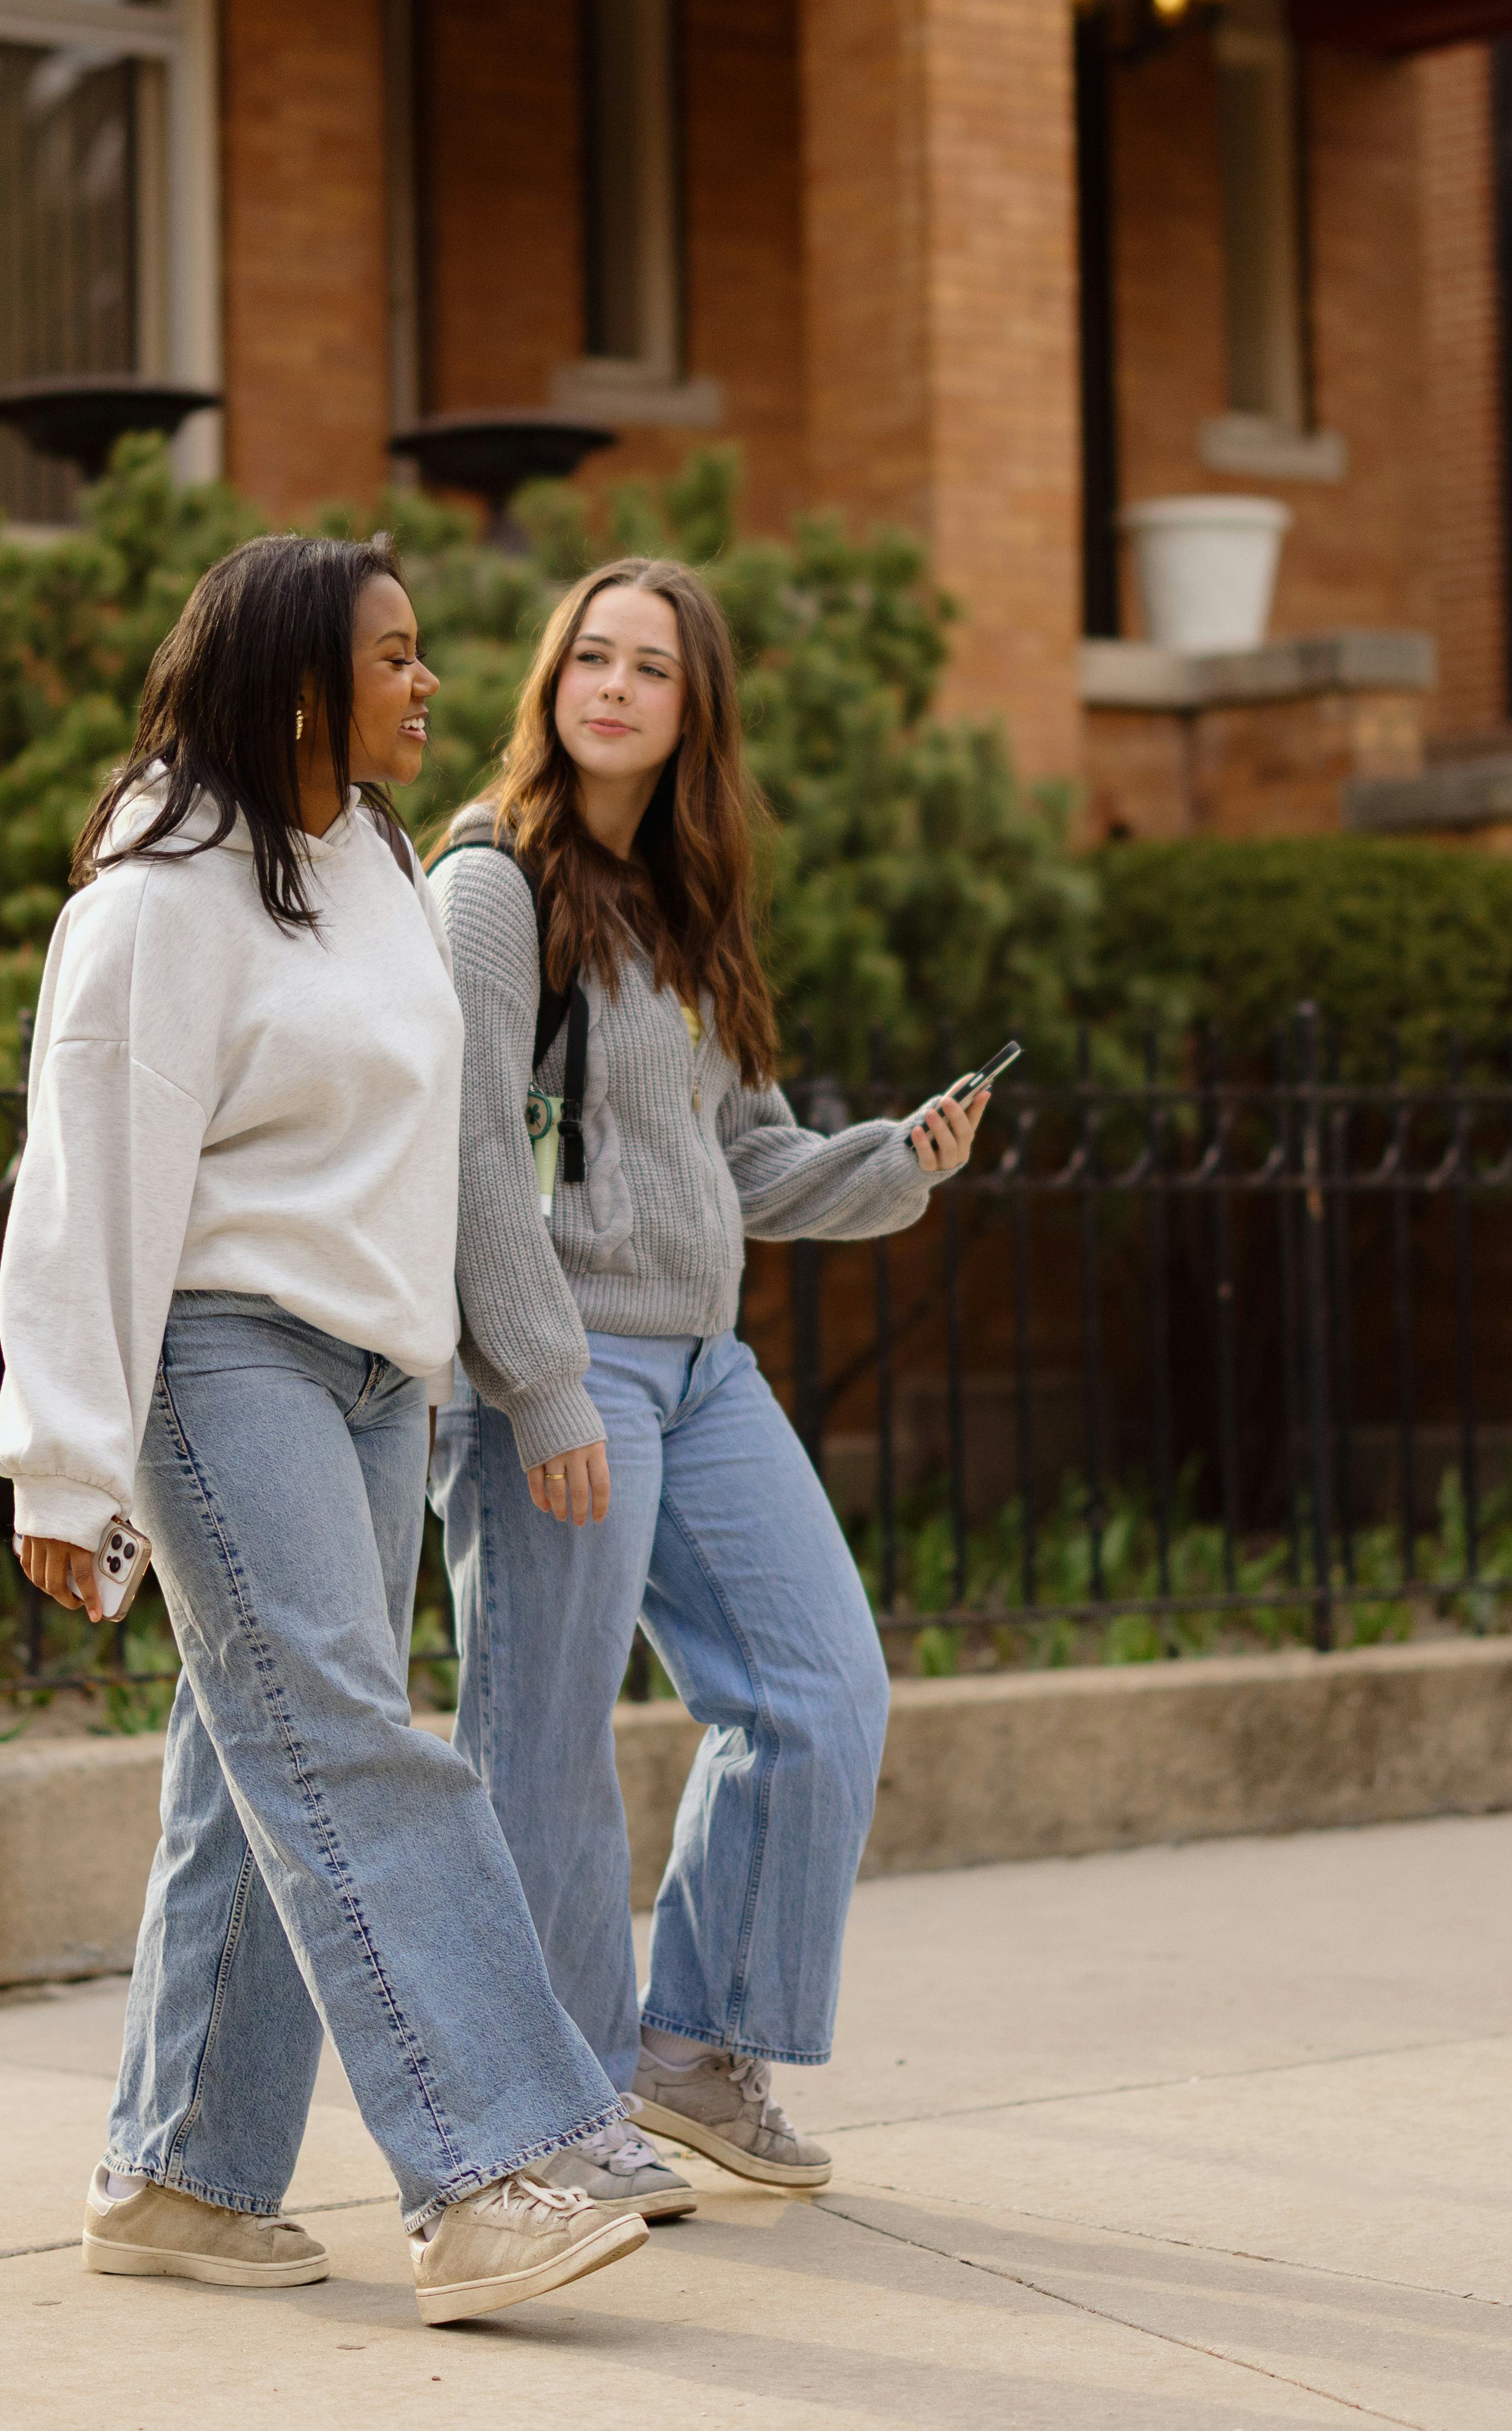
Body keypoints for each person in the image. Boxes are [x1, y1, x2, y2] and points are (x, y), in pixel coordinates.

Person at [0, 531, 649, 2330]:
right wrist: (65, 1453)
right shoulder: (159, 893)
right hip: (226, 1362)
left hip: (372, 1374)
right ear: (300, 686)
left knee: (255, 1751)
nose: (433, 683)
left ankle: (185, 2174)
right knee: (355, 1744)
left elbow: (431, 1141)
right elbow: (92, 1181)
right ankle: (492, 2161)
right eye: (399, 657)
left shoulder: (363, 859)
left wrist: (451, 1358)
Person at [429, 554, 986, 2216]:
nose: (610, 687)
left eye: (648, 669)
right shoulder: (488, 885)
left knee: (822, 1691)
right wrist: (539, 1388)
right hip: (563, 1357)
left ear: (693, 709)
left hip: (704, 1364)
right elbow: (466, 1154)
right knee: (542, 1748)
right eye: (587, 658)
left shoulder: (685, 901)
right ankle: (554, 2106)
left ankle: (692, 2051)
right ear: (551, 683)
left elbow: (741, 1161)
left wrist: (898, 1165)